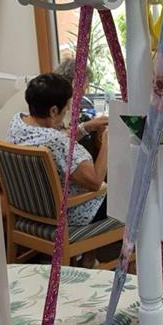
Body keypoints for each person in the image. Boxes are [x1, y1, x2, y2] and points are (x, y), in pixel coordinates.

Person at [6, 73, 108, 227]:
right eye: (66, 109)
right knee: (126, 193)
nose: (66, 114)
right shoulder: (56, 142)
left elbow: (53, 140)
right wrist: (108, 140)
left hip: (31, 211)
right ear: (53, 111)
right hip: (71, 216)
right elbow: (94, 181)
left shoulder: (17, 123)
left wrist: (86, 127)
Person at [55, 57, 108, 141]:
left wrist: (91, 125)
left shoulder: (64, 98)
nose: (84, 93)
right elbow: (62, 140)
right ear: (74, 83)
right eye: (84, 88)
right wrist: (89, 125)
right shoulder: (60, 103)